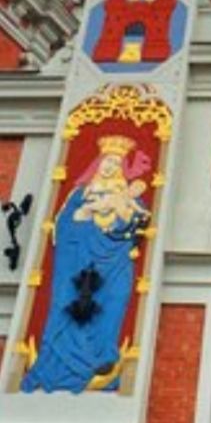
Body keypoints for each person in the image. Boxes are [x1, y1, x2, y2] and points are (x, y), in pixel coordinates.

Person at [21, 134, 151, 393]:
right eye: (107, 160)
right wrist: (87, 212)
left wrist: (122, 209)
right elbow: (62, 228)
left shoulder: (127, 196)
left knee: (114, 303)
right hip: (76, 262)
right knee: (69, 305)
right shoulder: (81, 194)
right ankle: (60, 367)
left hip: (115, 265)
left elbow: (137, 225)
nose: (110, 166)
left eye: (116, 162)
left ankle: (102, 358)